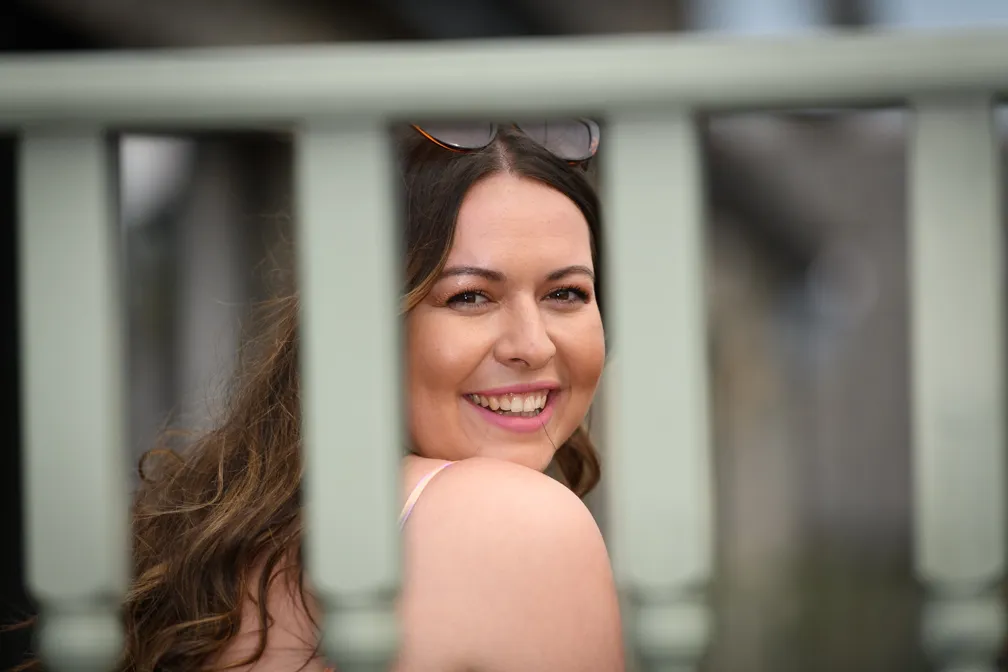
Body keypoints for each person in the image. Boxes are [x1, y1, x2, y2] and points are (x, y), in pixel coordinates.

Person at [121, 121, 623, 671]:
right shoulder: (515, 521)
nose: (531, 345)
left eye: (566, 293)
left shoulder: (261, 536)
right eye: (470, 296)